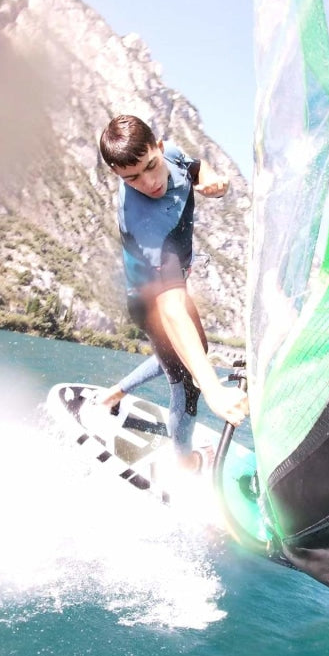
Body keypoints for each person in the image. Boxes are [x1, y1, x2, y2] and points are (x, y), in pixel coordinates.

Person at [99, 114, 248, 473]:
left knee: (194, 352)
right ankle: (185, 464)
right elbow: (170, 309)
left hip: (173, 286)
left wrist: (211, 181)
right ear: (118, 175)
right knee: (187, 386)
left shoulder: (172, 153)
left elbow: (193, 167)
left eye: (151, 166)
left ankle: (116, 392)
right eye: (132, 179)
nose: (149, 182)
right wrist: (213, 389)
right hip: (150, 302)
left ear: (160, 148)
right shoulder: (144, 222)